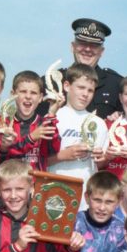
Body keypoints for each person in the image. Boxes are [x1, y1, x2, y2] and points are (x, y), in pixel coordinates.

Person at [47, 63, 108, 210]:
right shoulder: (53, 118)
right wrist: (63, 156)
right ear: (67, 86)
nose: (85, 94)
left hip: (85, 201)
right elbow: (38, 161)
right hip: (54, 195)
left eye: (90, 90)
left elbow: (101, 165)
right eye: (81, 88)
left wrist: (102, 159)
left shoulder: (99, 123)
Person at [38, 18, 123, 119]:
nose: (87, 49)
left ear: (101, 51)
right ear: (73, 46)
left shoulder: (116, 85)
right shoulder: (51, 81)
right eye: (83, 43)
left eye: (94, 45)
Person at [0, 70, 61, 172]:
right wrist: (31, 138)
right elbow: (5, 156)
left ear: (41, 97)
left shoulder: (44, 123)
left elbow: (53, 150)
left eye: (33, 93)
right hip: (11, 185)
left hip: (36, 186)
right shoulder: (3, 123)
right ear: (13, 94)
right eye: (23, 92)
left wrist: (51, 114)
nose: (28, 96)